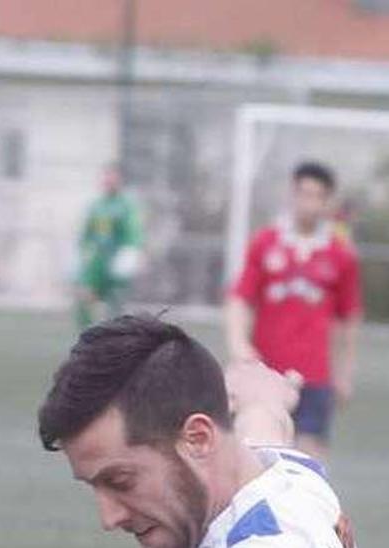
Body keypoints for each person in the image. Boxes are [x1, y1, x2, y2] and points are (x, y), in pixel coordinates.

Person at [37, 314, 355, 548]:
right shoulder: (288, 473)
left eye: (121, 481)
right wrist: (262, 399)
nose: (109, 517)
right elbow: (264, 424)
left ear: (198, 439)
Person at [224, 161, 362, 460]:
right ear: (292, 194)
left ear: (327, 202)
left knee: (308, 462)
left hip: (314, 376)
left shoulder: (340, 255)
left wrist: (345, 373)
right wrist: (239, 344)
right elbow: (240, 299)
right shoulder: (265, 244)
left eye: (316, 196)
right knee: (256, 460)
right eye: (303, 194)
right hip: (267, 375)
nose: (308, 203)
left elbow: (348, 319)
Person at [74, 163, 145, 330]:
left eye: (112, 176)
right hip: (98, 259)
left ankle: (113, 337)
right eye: (106, 176)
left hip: (116, 259)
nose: (108, 180)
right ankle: (86, 334)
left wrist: (133, 253)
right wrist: (83, 251)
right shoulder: (96, 206)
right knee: (84, 295)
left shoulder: (127, 206)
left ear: (120, 180)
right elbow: (86, 234)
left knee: (115, 302)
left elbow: (134, 233)